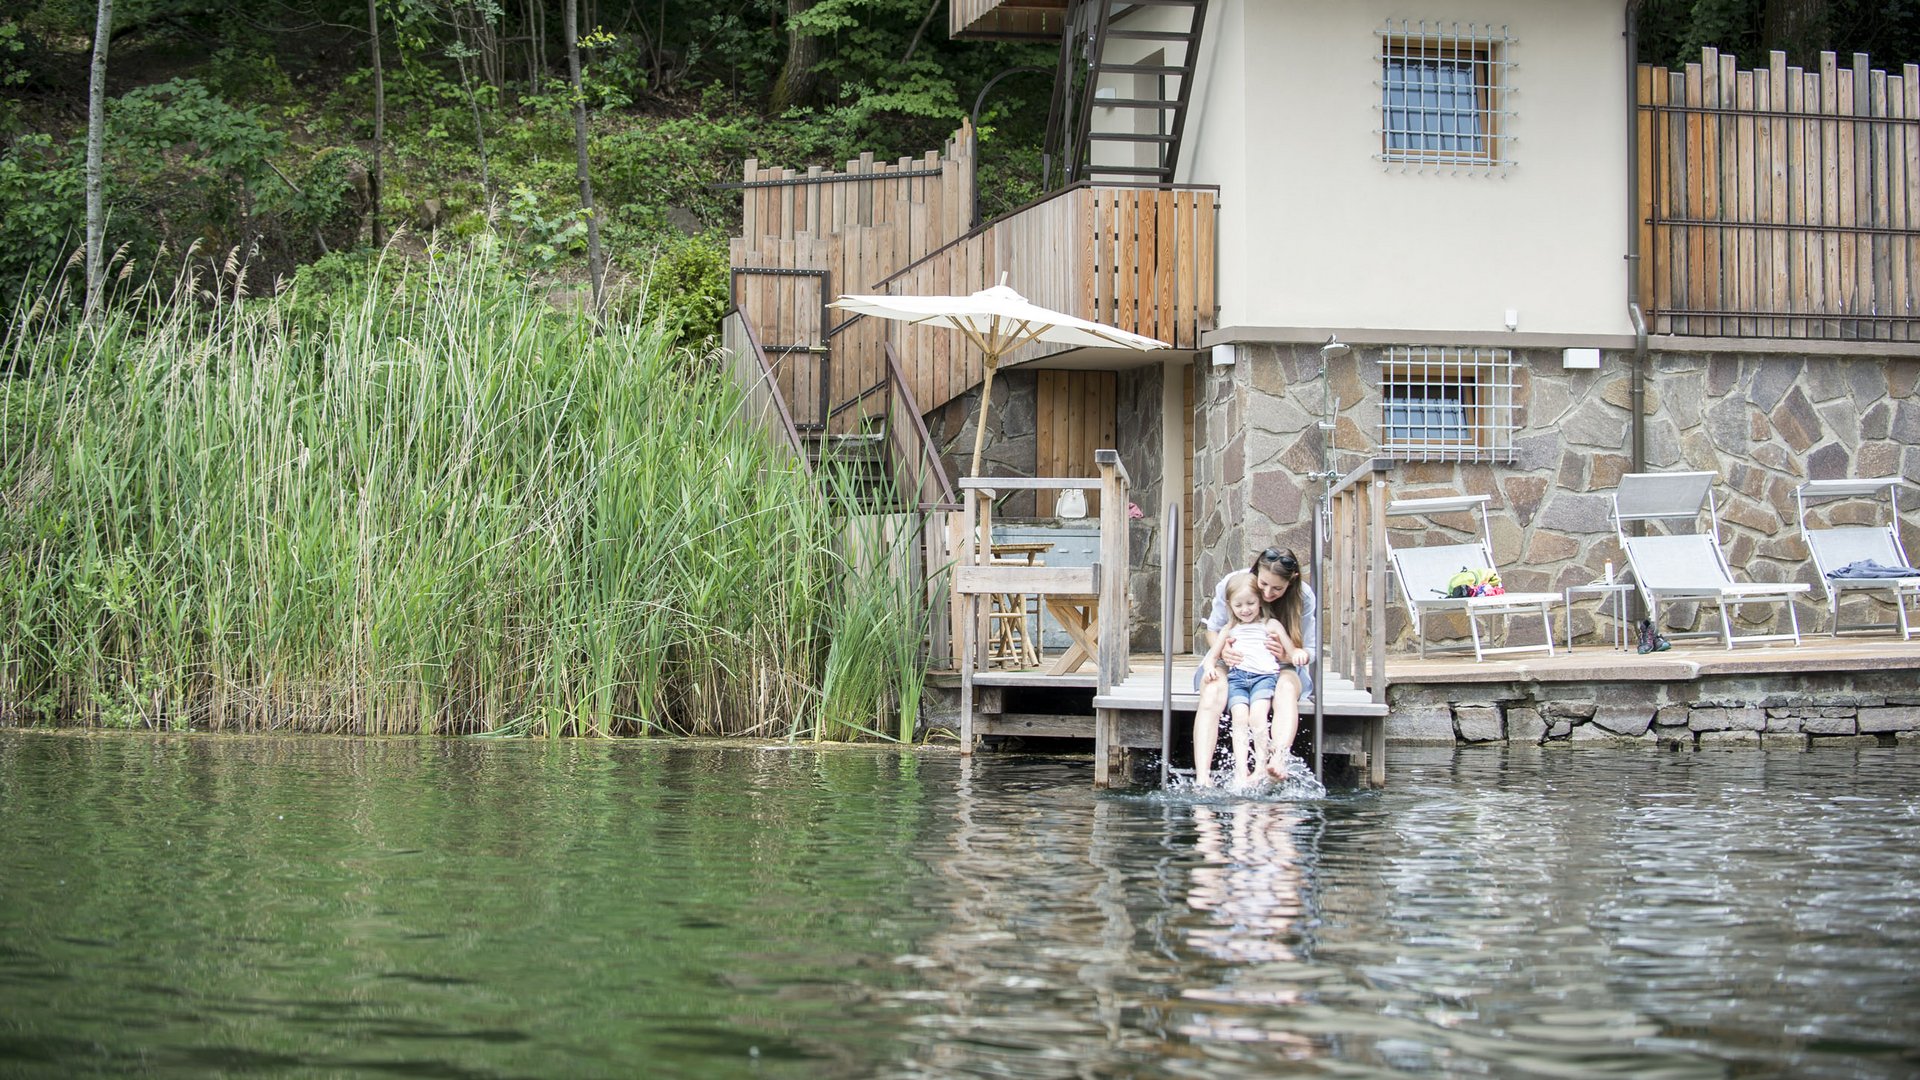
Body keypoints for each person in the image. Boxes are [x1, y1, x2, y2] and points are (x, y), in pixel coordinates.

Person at [1191, 547, 1318, 787]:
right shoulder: (1234, 583)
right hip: (1233, 661)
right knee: (1212, 689)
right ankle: (1203, 776)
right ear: (1256, 572)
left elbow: (1309, 649)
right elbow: (1213, 629)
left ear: (1290, 583)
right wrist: (1224, 650)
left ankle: (1277, 761)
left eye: (1277, 588)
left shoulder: (1304, 596)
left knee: (1286, 689)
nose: (1268, 593)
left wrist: (1289, 656)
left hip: (1278, 665)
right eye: (1263, 585)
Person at [1196, 572, 1285, 786]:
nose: (1245, 610)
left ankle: (1261, 767)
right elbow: (1212, 656)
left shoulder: (1269, 625)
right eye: (1239, 605)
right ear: (1230, 606)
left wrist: (1286, 654)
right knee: (1239, 718)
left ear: (1259, 602)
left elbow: (1292, 650)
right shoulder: (1229, 629)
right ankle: (1240, 770)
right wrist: (1209, 668)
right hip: (1238, 680)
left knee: (1258, 717)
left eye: (1250, 603)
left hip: (1263, 679)